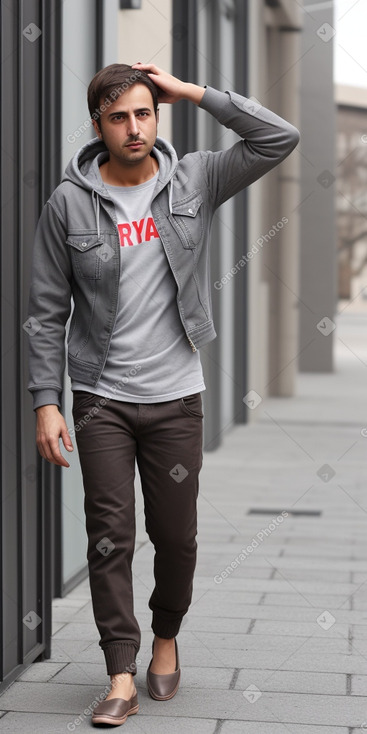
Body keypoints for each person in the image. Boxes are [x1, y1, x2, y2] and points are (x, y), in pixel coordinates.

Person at [26, 62, 299, 726]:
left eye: (145, 112)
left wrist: (189, 91)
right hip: (101, 399)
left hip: (176, 397)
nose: (134, 127)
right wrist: (46, 400)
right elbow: (43, 312)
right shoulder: (69, 202)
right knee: (108, 537)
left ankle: (166, 636)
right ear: (99, 126)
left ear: (157, 115)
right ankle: (120, 670)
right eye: (118, 117)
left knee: (175, 537)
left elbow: (277, 138)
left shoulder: (195, 179)